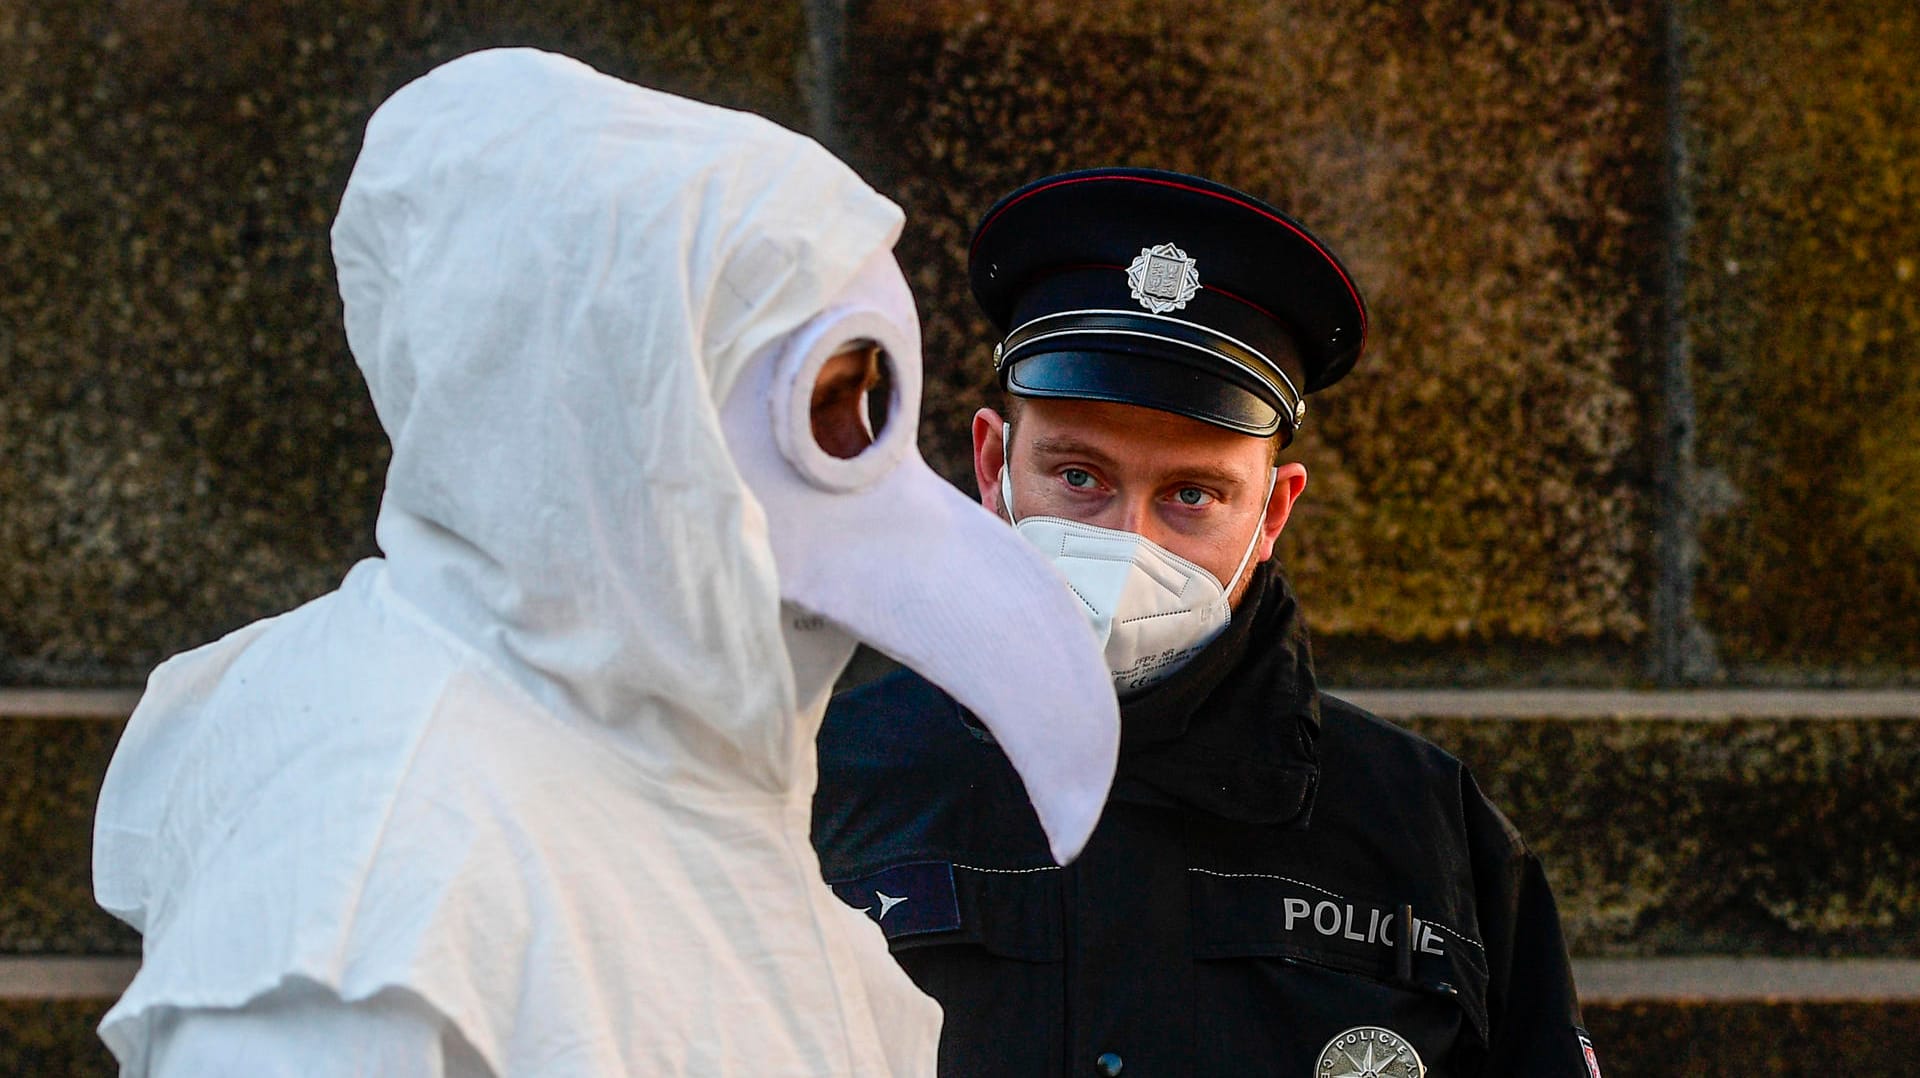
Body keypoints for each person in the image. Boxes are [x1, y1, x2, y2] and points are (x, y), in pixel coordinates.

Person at [90, 50, 1124, 1076]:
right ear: (610, 403)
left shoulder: (663, 750)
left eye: (870, 395)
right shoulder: (367, 869)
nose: (855, 449)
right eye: (821, 401)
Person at [812, 168, 1601, 1077]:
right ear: (994, 466)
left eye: (1192, 494)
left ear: (1271, 514)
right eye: (1079, 478)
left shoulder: (1427, 831)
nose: (1126, 540)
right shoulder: (827, 780)